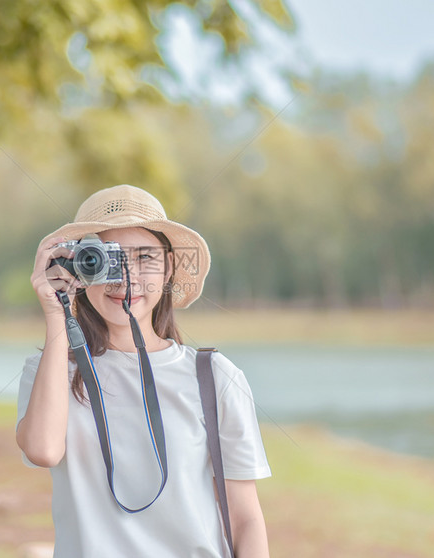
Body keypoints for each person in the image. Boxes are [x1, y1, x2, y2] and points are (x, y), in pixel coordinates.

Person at [17, 184, 271, 557]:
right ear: (79, 268)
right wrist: (57, 313)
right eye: (107, 258)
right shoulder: (50, 371)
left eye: (145, 258)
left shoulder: (214, 376)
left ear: (169, 268)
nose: (126, 277)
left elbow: (245, 518)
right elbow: (43, 450)